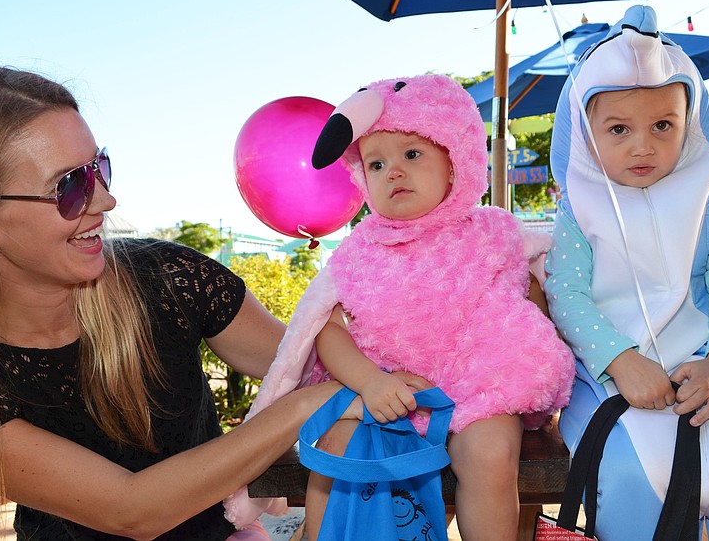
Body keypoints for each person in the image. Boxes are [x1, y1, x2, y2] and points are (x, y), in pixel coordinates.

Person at [0, 64, 381, 541]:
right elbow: (132, 511)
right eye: (69, 187)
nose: (106, 201)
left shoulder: (168, 277)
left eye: (99, 168)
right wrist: (301, 409)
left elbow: (310, 362)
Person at [225, 74, 575, 540]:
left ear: (454, 163)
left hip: (481, 386)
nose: (393, 171)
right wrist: (370, 381)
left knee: (491, 455)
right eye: (376, 163)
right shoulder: (359, 251)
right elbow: (325, 329)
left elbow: (540, 295)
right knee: (337, 454)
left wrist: (530, 341)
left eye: (413, 154)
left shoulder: (494, 231)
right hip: (387, 392)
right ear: (360, 178)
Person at [545, 5, 709, 541]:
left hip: (708, 369)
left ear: (690, 121)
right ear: (585, 132)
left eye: (664, 125)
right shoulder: (579, 206)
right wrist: (620, 359)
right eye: (618, 128)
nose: (643, 145)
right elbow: (565, 291)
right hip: (607, 375)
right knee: (631, 474)